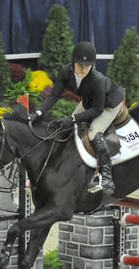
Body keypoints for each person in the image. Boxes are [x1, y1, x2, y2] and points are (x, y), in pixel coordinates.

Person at [29, 42, 124, 194]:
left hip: (109, 105)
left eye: (88, 66)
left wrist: (73, 117)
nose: (84, 69)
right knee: (69, 127)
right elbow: (54, 95)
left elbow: (98, 110)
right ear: (73, 63)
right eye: (80, 65)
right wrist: (38, 113)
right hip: (89, 101)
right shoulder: (66, 72)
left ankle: (106, 178)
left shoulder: (97, 79)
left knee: (93, 134)